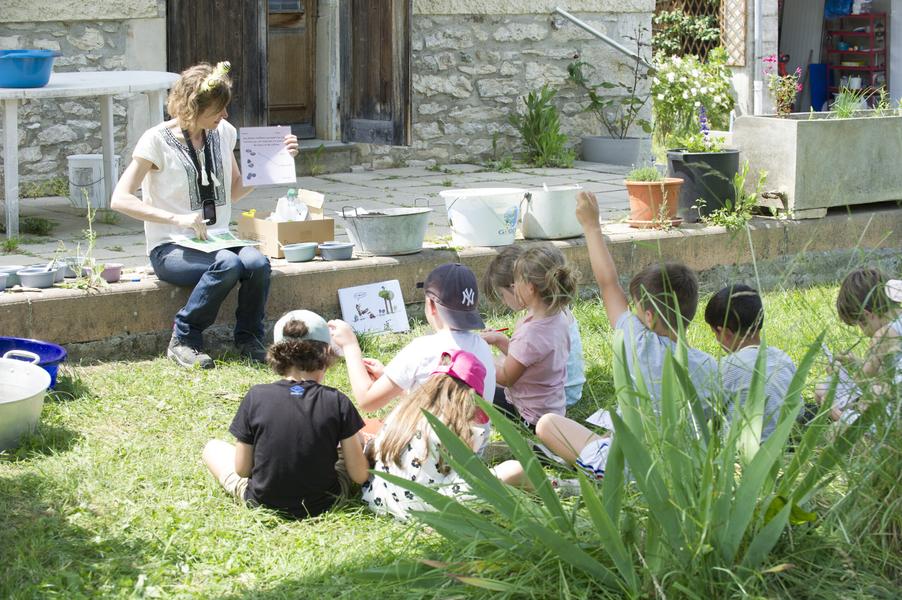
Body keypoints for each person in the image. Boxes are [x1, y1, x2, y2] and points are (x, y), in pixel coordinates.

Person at [111, 61, 299, 368]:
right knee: (228, 263)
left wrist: (275, 160)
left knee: (256, 262)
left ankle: (249, 338)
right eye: (218, 109)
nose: (225, 115)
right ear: (191, 109)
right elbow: (119, 198)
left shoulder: (224, 132)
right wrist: (177, 219)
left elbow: (235, 190)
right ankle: (183, 338)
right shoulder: (155, 140)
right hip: (170, 247)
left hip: (217, 240)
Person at [534, 191, 717, 480]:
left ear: (648, 317)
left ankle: (591, 465)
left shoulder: (638, 342)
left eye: (634, 307)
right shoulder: (710, 367)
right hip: (682, 470)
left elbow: (608, 284)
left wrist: (592, 226)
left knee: (547, 425)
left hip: (627, 468)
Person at [202, 310, 369, 519]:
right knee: (357, 440)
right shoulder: (336, 400)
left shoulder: (256, 396)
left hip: (261, 501)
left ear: (277, 354)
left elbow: (243, 470)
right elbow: (359, 475)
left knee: (212, 447)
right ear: (326, 354)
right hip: (325, 502)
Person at [362, 349, 527, 521]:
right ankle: (551, 487)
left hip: (385, 499)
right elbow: (470, 473)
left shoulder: (403, 411)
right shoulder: (460, 428)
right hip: (432, 509)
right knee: (513, 469)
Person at [329, 263, 496, 414]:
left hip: (428, 447)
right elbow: (439, 398)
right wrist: (391, 378)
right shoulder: (482, 346)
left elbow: (367, 401)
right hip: (471, 447)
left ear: (431, 305)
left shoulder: (422, 349)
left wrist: (350, 346)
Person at [481, 244, 578, 431]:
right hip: (552, 409)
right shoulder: (558, 316)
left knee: (473, 386)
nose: (513, 286)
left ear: (530, 288)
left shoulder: (531, 333)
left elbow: (505, 378)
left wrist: (480, 356)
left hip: (530, 417)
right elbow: (527, 359)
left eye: (515, 281)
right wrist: (500, 340)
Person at [704, 284, 797, 440]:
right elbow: (797, 410)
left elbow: (707, 413)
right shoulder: (783, 358)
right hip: (784, 444)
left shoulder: (727, 366)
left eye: (715, 333)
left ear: (725, 332)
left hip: (739, 453)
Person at [818, 268, 902, 422]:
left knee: (823, 395)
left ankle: (842, 421)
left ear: (867, 315)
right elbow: (888, 371)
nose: (864, 333)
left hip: (894, 417)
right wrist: (856, 363)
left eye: (860, 325)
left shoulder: (883, 335)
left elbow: (860, 381)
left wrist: (837, 374)